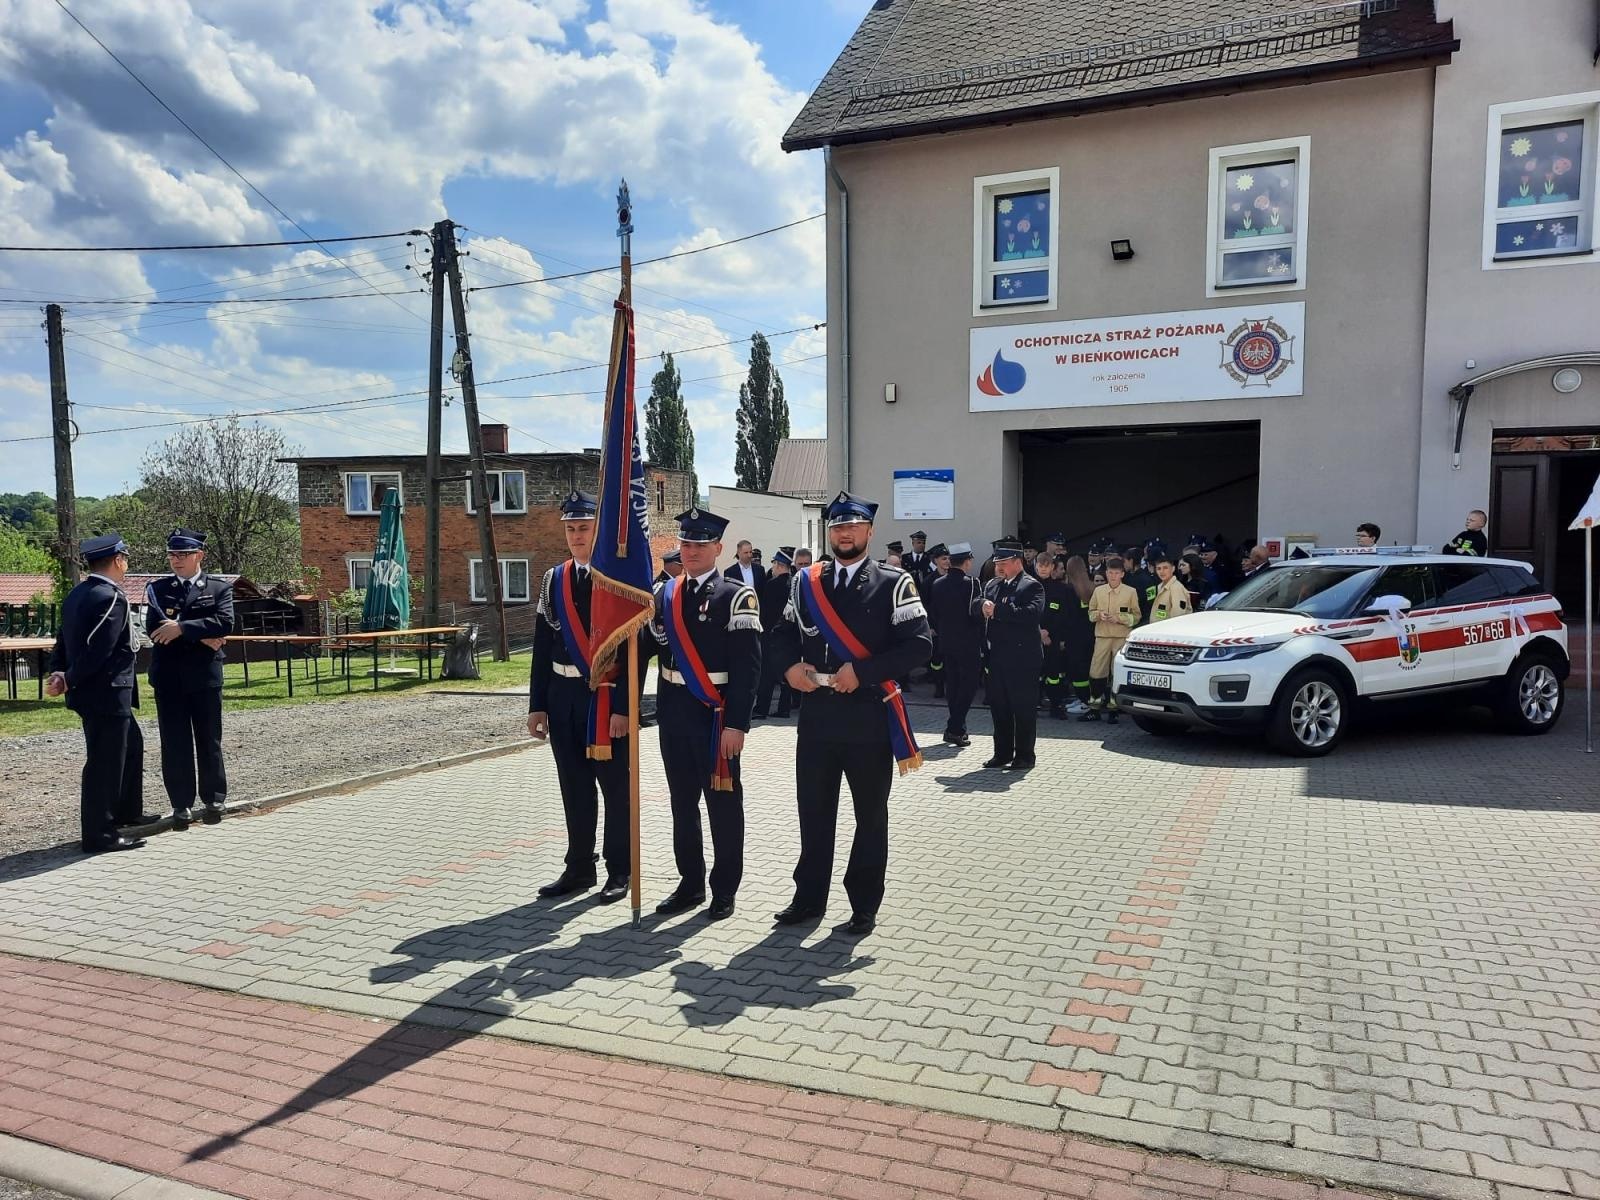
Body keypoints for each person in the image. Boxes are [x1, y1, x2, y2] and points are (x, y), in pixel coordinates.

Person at [771, 490, 932, 936]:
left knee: (870, 817)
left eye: (854, 526)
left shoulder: (894, 582)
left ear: (870, 531)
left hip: (867, 717)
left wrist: (862, 672)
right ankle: (808, 898)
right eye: (838, 526)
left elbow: (920, 645)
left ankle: (863, 904)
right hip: (817, 715)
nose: (845, 533)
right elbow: (781, 634)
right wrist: (789, 668)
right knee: (813, 812)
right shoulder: (805, 582)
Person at [641, 507, 761, 921]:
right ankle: (689, 883)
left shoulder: (736, 596)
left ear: (718, 549)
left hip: (715, 716)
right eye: (686, 543)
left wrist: (738, 724)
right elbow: (646, 649)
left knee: (723, 806)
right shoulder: (665, 594)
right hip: (673, 713)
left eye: (700, 544)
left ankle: (724, 889)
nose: (690, 551)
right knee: (682, 804)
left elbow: (748, 668)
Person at [527, 490, 631, 904]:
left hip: (604, 697)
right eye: (570, 529)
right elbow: (541, 644)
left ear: (597, 530)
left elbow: (633, 651)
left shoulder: (617, 580)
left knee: (614, 788)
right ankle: (579, 867)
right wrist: (537, 704)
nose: (576, 536)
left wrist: (624, 707)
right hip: (562, 694)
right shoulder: (553, 579)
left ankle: (619, 869)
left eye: (583, 528)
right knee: (573, 786)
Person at [45, 533, 154, 853]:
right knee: (104, 762)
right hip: (105, 691)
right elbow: (99, 650)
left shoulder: (78, 594)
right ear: (118, 560)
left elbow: (63, 641)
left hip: (101, 692)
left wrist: (58, 670)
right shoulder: (110, 597)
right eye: (125, 559)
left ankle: (127, 812)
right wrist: (68, 678)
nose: (126, 564)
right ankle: (100, 834)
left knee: (131, 746)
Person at [144, 529, 235, 829]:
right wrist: (202, 634)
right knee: (175, 743)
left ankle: (214, 797)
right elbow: (156, 629)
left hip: (204, 676)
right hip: (169, 677)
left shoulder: (218, 588)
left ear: (199, 555)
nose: (176, 559)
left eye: (183, 554)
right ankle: (180, 803)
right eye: (172, 554)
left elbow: (225, 622)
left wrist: (182, 629)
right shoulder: (158, 589)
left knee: (209, 739)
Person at [981, 537, 1045, 769]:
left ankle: (1025, 756)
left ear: (1018, 561)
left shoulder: (1031, 586)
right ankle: (1002, 753)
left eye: (1003, 562)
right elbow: (979, 606)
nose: (998, 567)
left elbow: (1031, 614)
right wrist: (981, 607)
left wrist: (998, 611)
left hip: (1022, 659)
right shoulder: (993, 585)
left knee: (1023, 709)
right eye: (997, 562)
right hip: (997, 657)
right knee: (1000, 708)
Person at [927, 541, 983, 745]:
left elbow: (934, 612)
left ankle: (959, 728)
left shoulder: (938, 583)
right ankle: (954, 727)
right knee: (968, 685)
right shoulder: (972, 583)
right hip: (968, 641)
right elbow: (976, 613)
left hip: (947, 640)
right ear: (966, 562)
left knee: (953, 684)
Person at [1081, 555, 1140, 723]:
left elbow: (1136, 616)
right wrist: (1099, 615)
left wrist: (1120, 618)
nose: (1113, 576)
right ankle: (1094, 707)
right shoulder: (1099, 591)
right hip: (1102, 636)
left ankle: (1114, 708)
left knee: (1117, 672)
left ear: (1122, 574)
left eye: (1116, 573)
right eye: (1110, 573)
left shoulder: (1130, 592)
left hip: (1121, 637)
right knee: (1096, 671)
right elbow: (1090, 613)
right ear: (1106, 573)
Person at [753, 546, 796, 719]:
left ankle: (761, 709)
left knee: (767, 673)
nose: (773, 568)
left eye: (774, 564)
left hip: (771, 635)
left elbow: (765, 612)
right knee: (786, 671)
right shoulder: (795, 583)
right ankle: (784, 709)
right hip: (790, 635)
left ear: (779, 565)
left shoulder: (772, 584)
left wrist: (761, 630)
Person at [1036, 552, 1071, 720]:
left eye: (1046, 566)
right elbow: (1025, 612)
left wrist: (1048, 632)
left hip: (1053, 639)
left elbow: (1062, 615)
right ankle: (1033, 704)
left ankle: (1056, 706)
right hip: (1032, 638)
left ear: (1052, 567)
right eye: (1040, 565)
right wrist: (1039, 632)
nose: (1043, 569)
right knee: (1034, 673)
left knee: (1054, 674)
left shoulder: (1060, 589)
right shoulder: (1028, 586)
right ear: (1036, 566)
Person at [1059, 555, 1096, 715]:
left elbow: (1066, 617)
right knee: (1087, 669)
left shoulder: (1068, 590)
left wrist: (1062, 638)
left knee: (1078, 671)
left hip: (1074, 637)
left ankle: (1084, 701)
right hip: (1090, 635)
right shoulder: (1092, 588)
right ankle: (1086, 699)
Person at [923, 542, 949, 698]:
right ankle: (939, 687)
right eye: (944, 558)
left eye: (949, 558)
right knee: (936, 659)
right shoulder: (929, 581)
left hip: (951, 626)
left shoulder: (954, 577)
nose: (947, 561)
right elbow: (923, 604)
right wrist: (929, 626)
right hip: (935, 626)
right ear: (936, 561)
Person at [1148, 552, 1193, 623]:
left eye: (1165, 568)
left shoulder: (1176, 588)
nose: (1162, 571)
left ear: (1173, 569)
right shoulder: (1159, 586)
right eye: (1158, 569)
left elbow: (1177, 617)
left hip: (1169, 628)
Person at [1123, 544, 1157, 625]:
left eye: (1124, 561)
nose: (1123, 564)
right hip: (1142, 618)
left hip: (1140, 620)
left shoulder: (1142, 579)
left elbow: (1151, 601)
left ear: (1131, 561)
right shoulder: (1147, 577)